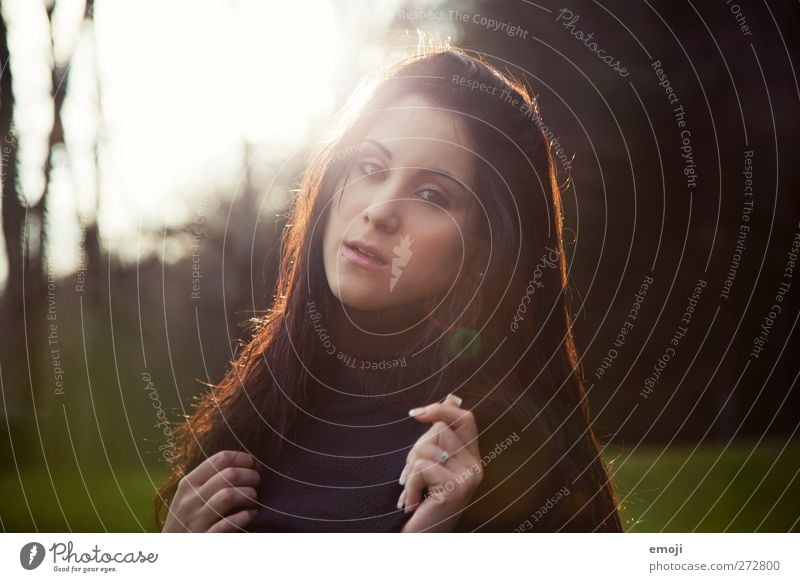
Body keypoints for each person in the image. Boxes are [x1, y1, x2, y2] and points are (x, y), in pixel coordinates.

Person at [155, 44, 624, 533]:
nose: (379, 210)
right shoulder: (257, 408)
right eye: (371, 168)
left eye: (431, 195)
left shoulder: (507, 460)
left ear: (487, 248)